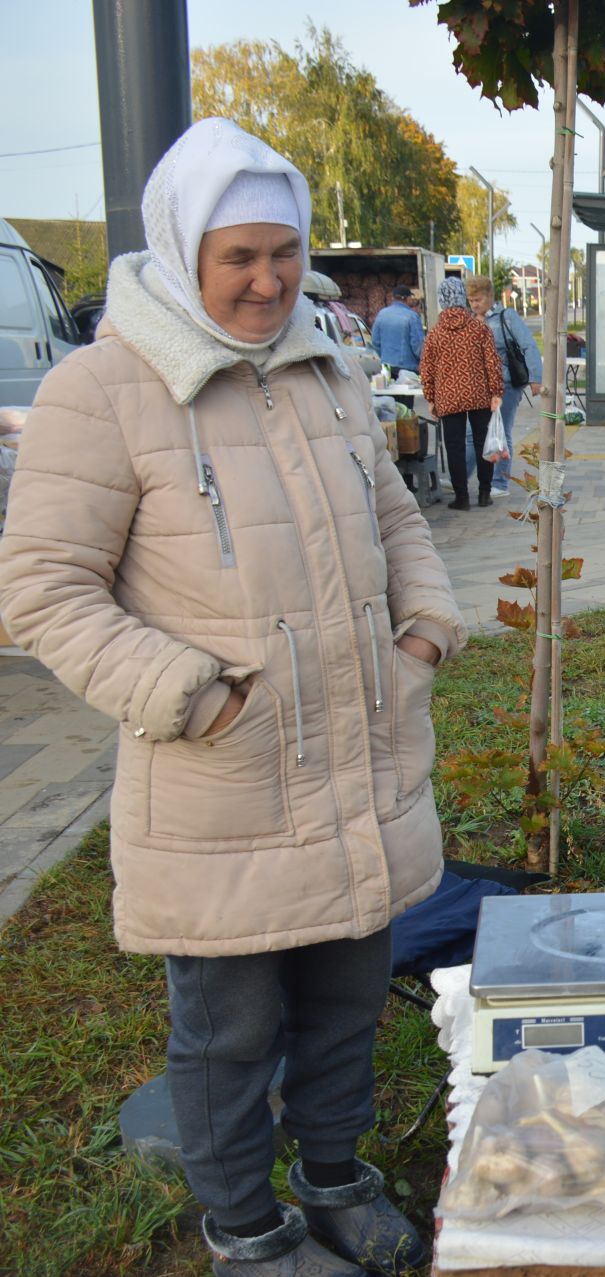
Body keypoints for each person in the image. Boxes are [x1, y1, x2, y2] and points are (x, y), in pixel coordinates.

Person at [0, 118, 463, 1277]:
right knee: (228, 1025)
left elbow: (393, 511)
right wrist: (192, 695)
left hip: (358, 751)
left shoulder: (329, 365)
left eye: (284, 252)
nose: (267, 280)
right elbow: (42, 590)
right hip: (225, 774)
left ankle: (333, 1175)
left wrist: (425, 623)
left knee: (347, 1000)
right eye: (237, 256)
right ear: (181, 251)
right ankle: (247, 1231)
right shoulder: (102, 390)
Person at [419, 275, 502, 511]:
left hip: (448, 398)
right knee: (481, 443)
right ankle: (485, 493)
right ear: (462, 298)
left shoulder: (434, 334)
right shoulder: (479, 328)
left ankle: (462, 497)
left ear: (442, 301)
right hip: (479, 395)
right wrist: (496, 391)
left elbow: (427, 370)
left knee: (454, 446)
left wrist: (431, 398)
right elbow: (492, 363)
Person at [465, 276, 542, 495]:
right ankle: (460, 476)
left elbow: (528, 345)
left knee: (501, 430)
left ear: (490, 296)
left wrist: (536, 378)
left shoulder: (506, 317)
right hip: (480, 387)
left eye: (478, 299)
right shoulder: (471, 320)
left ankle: (500, 482)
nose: (475, 305)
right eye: (471, 300)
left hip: (506, 384)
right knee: (472, 433)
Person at [370, 285, 423, 377]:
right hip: (408, 369)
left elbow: (375, 341)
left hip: (387, 367)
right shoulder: (412, 317)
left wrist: (384, 356)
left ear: (393, 298)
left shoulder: (382, 314)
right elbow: (417, 345)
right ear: (407, 298)